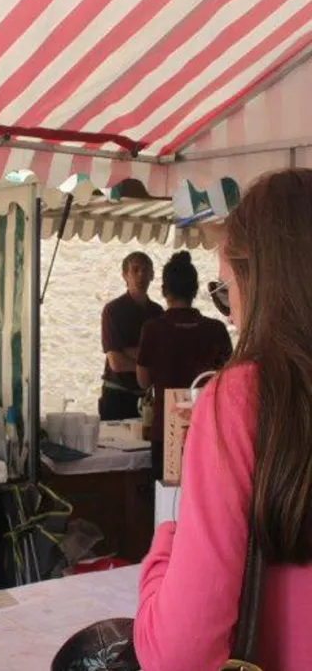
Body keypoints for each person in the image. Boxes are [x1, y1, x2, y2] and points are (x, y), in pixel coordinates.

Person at [135, 169, 312, 670]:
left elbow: (178, 655)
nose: (233, 318)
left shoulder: (241, 397)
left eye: (227, 293)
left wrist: (164, 548)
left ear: (261, 283)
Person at [135, 251, 233, 479]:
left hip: (166, 429)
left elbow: (142, 380)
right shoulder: (215, 329)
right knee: (203, 498)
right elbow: (230, 379)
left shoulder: (153, 328)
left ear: (164, 290)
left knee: (168, 501)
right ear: (194, 290)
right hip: (207, 429)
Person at [98, 252, 163, 420]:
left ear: (152, 275)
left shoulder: (158, 313)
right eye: (135, 270)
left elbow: (163, 355)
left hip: (148, 398)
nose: (141, 274)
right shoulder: (113, 310)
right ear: (125, 275)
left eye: (145, 270)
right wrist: (149, 361)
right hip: (118, 397)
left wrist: (129, 352)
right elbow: (117, 363)